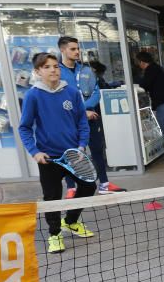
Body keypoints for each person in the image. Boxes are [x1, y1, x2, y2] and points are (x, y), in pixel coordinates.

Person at [18, 53, 97, 254]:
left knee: (88, 186)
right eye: (47, 67)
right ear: (37, 72)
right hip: (49, 159)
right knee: (52, 198)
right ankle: (54, 235)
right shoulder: (33, 95)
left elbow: (81, 121)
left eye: (55, 66)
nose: (53, 70)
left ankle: (70, 221)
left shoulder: (70, 91)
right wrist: (35, 152)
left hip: (74, 155)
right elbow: (24, 128)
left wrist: (81, 146)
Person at [58, 37, 125, 196]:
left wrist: (86, 110)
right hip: (70, 121)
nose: (77, 52)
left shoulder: (86, 70)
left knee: (97, 150)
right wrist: (82, 113)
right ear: (63, 50)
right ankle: (72, 188)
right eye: (72, 49)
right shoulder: (58, 72)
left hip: (90, 119)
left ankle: (104, 184)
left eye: (77, 49)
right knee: (71, 154)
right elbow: (60, 98)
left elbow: (96, 92)